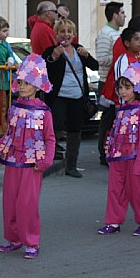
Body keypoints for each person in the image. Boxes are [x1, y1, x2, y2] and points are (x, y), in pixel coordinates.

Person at [0, 53, 55, 259]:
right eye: (20, 82)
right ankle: (14, 238)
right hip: (13, 163)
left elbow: (50, 139)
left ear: (37, 86)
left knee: (27, 204)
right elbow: (10, 133)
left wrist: (46, 160)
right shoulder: (14, 108)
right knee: (10, 202)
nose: (21, 86)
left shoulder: (44, 112)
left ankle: (31, 241)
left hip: (32, 165)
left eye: (27, 83)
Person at [98, 64, 140, 236]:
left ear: (136, 88)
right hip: (117, 157)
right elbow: (114, 132)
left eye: (127, 87)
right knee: (114, 189)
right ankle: (113, 222)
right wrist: (109, 152)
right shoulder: (120, 110)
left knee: (137, 192)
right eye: (120, 87)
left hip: (135, 158)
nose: (122, 91)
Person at [43, 19, 98, 178]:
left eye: (69, 31)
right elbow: (44, 69)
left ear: (74, 34)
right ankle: (48, 159)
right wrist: (53, 57)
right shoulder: (51, 50)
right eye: (62, 31)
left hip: (78, 97)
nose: (66, 35)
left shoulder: (79, 50)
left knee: (75, 131)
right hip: (59, 96)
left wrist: (87, 56)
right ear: (57, 34)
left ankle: (71, 165)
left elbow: (95, 66)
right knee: (56, 126)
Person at [96, 2, 126, 167]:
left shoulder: (117, 34)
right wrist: (119, 59)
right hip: (106, 81)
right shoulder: (105, 34)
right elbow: (101, 59)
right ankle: (103, 152)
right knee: (107, 120)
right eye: (122, 12)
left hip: (118, 81)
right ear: (114, 15)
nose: (124, 16)